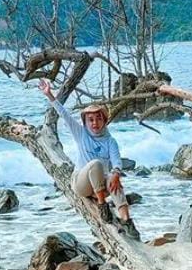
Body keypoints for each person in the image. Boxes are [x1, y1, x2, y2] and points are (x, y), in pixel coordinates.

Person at [38, 79, 140, 240]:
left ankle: (127, 221)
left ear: (105, 121)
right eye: (90, 119)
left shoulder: (110, 141)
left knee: (115, 182)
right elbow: (62, 113)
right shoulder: (80, 133)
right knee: (96, 164)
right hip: (81, 184)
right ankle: (102, 205)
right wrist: (49, 94)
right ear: (85, 122)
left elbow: (117, 161)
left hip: (100, 184)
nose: (95, 123)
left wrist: (116, 174)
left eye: (99, 119)